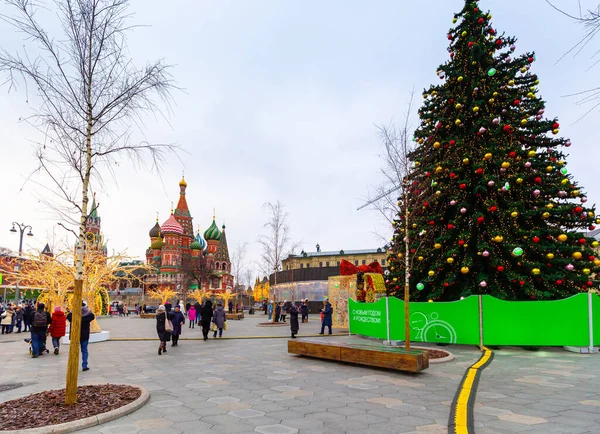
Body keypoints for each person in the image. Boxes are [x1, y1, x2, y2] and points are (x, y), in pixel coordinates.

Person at [67, 303, 95, 371]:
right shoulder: (88, 314)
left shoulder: (73, 313)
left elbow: (68, 317)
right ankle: (84, 365)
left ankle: (73, 366)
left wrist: (72, 311)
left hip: (75, 335)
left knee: (73, 351)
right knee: (84, 350)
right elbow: (92, 316)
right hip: (84, 335)